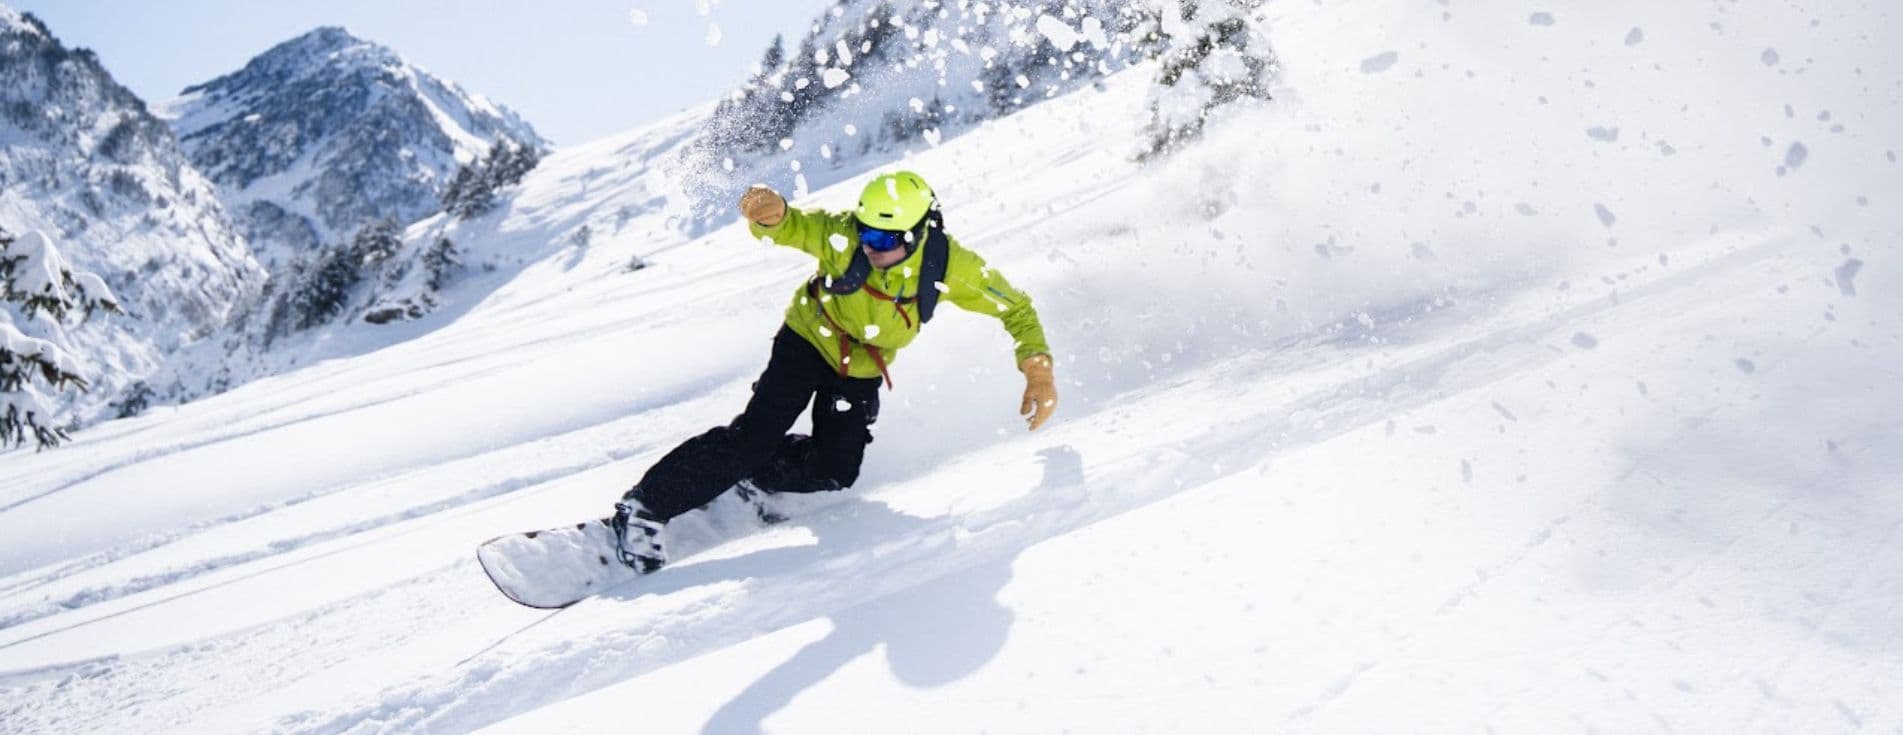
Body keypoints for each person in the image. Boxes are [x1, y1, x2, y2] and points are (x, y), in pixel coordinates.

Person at [609, 171, 1058, 572]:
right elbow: (794, 226)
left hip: (860, 368)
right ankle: (645, 507)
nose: (869, 245)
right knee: (755, 435)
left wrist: (1038, 370)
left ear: (918, 234)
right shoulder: (843, 236)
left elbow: (1016, 308)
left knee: (836, 470)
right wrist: (769, 211)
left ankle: (756, 475)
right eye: (866, 232)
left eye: (884, 240)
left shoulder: (951, 267)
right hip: (806, 340)